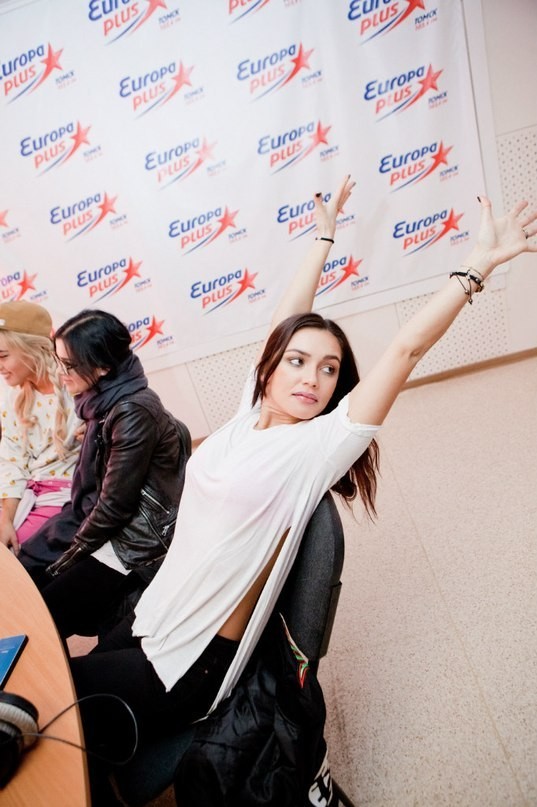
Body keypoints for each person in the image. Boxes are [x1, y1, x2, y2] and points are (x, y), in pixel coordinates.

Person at [67, 178, 536, 802]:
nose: (312, 378)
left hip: (189, 663)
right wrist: (323, 238)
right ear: (269, 364)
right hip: (153, 619)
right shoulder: (245, 415)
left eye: (329, 369)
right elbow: (288, 317)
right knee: (40, 693)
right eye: (297, 360)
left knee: (50, 714)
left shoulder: (316, 448)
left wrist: (477, 266)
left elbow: (406, 348)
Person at [32, 309, 191, 637]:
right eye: (58, 361)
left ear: (103, 367)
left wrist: (72, 554)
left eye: (69, 365)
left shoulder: (131, 410)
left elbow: (115, 505)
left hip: (134, 539)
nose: (60, 372)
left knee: (42, 617)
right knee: (33, 578)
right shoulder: (103, 401)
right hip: (114, 525)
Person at [0, 301, 81, 555]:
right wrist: (5, 519)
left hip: (64, 498)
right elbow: (12, 463)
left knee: (12, 557)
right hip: (25, 494)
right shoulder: (13, 397)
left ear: (33, 349)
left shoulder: (76, 387)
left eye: (3, 356)